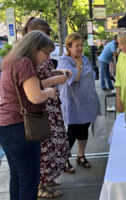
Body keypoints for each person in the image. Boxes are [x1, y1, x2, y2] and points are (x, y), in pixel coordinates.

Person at [0, 30, 56, 200]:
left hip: (6, 126)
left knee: (18, 175)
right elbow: (35, 96)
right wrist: (49, 92)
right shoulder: (25, 63)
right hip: (20, 127)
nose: (47, 58)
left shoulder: (11, 61)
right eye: (45, 53)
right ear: (34, 48)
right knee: (30, 178)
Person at [22, 17, 72, 198]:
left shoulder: (40, 53)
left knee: (53, 144)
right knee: (45, 147)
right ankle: (41, 185)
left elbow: (45, 74)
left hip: (50, 104)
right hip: (41, 108)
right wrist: (55, 79)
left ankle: (48, 178)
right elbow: (33, 85)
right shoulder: (26, 57)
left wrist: (59, 73)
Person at [57, 33, 101, 170]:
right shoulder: (64, 61)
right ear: (69, 47)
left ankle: (81, 155)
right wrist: (79, 67)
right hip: (73, 102)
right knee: (73, 130)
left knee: (84, 128)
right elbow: (74, 79)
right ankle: (64, 159)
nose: (80, 48)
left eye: (81, 45)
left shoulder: (85, 59)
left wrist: (80, 67)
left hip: (87, 100)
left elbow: (91, 76)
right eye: (77, 46)